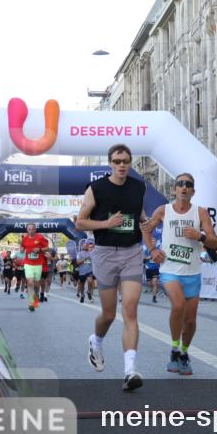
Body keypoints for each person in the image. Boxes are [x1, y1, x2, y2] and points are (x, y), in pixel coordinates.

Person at [76, 144, 150, 392]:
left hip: (132, 252)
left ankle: (130, 371)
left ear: (130, 163)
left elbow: (140, 215)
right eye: (117, 161)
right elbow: (80, 223)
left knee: (130, 310)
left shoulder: (138, 186)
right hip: (105, 253)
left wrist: (147, 224)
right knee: (108, 314)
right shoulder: (96, 188)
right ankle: (96, 341)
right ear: (110, 163)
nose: (121, 165)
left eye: (126, 161)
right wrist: (106, 223)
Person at [143, 172, 217, 377]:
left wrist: (200, 236)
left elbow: (214, 242)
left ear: (193, 191)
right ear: (174, 189)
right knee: (178, 306)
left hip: (192, 272)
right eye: (180, 184)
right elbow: (146, 229)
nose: (184, 187)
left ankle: (184, 353)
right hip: (170, 270)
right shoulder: (163, 210)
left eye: (188, 185)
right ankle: (174, 348)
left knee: (191, 321)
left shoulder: (200, 213)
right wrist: (152, 250)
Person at [20, 224, 49, 312]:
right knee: (30, 283)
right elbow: (22, 247)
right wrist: (21, 249)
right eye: (29, 229)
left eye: (33, 229)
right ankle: (31, 303)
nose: (31, 231)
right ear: (27, 230)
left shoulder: (40, 237)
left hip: (38, 264)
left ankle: (35, 298)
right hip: (28, 264)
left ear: (35, 230)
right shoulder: (24, 238)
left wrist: (39, 250)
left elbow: (47, 248)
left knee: (36, 285)